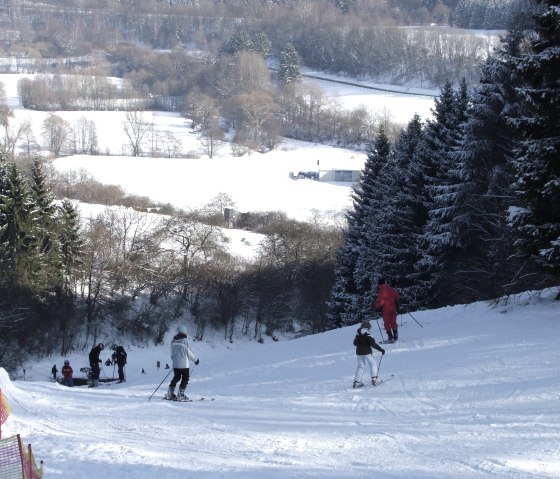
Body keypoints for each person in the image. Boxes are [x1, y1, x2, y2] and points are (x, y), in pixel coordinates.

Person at [165, 325, 199, 401]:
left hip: (175, 364)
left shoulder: (173, 340)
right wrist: (196, 360)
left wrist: (174, 360)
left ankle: (170, 393)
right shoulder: (185, 341)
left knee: (176, 377)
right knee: (185, 378)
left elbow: (171, 353)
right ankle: (180, 395)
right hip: (184, 365)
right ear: (184, 332)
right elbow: (190, 352)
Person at [353, 320, 385, 388]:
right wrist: (380, 349)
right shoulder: (368, 333)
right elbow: (373, 343)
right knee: (373, 364)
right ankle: (375, 379)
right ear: (369, 326)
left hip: (359, 352)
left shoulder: (358, 333)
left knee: (360, 366)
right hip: (367, 352)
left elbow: (355, 343)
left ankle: (357, 382)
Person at [375, 278, 401, 343]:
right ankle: (396, 337)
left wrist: (376, 305)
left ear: (379, 284)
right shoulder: (391, 288)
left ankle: (390, 338)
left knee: (387, 323)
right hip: (393, 308)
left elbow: (381, 301)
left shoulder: (381, 290)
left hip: (386, 309)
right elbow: (397, 296)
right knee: (393, 322)